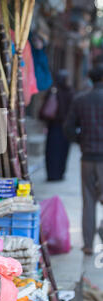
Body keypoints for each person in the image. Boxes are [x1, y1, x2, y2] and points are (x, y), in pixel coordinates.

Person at [64, 61, 103, 255]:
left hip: (87, 157)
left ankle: (88, 244)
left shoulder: (81, 100)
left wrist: (81, 140)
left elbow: (68, 128)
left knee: (89, 202)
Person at [41, 70, 74, 181]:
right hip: (65, 128)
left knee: (51, 151)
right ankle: (59, 173)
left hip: (54, 127)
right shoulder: (70, 92)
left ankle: (52, 174)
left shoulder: (53, 91)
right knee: (62, 152)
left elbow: (44, 110)